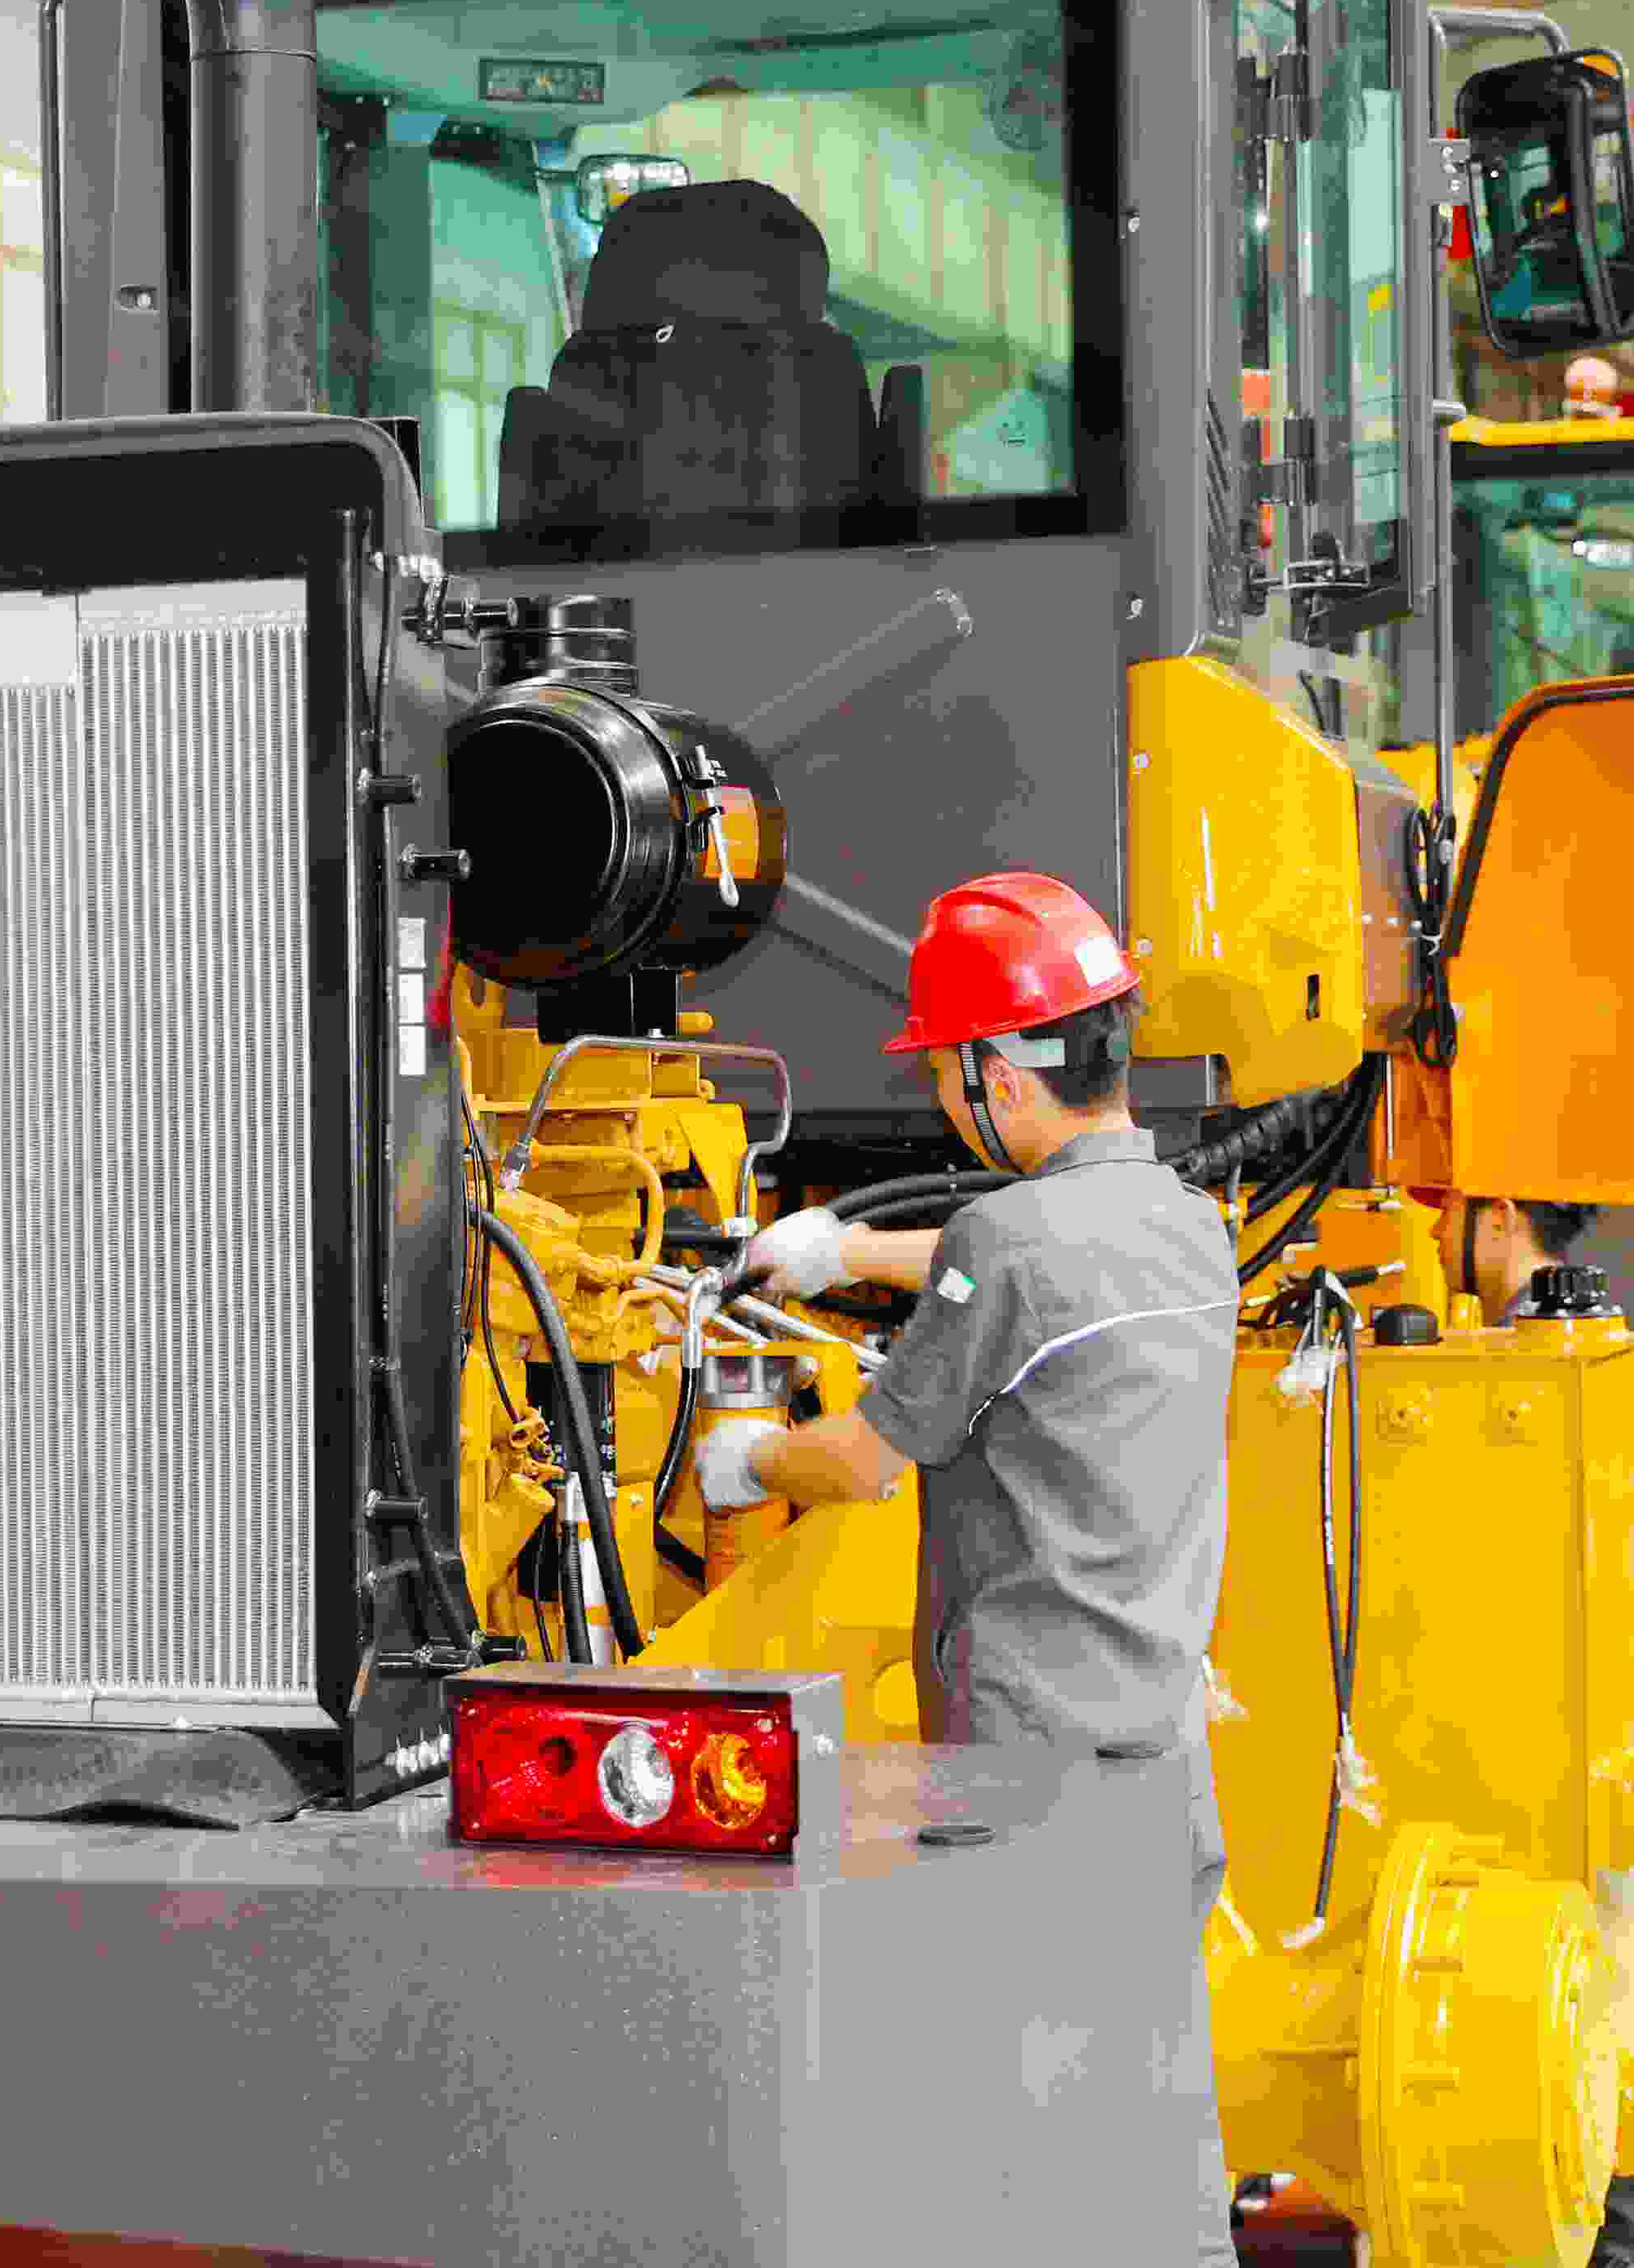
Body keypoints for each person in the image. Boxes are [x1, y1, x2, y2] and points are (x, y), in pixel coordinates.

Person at [699, 869, 1241, 2266]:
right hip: (1161, 1752)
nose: (946, 1100)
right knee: (1151, 2119)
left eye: (947, 1072)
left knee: (1015, 2150)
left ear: (1000, 1071)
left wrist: (749, 1457)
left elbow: (867, 1460)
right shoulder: (1189, 1220)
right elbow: (1028, 1262)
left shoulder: (1010, 1245)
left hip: (1024, 1773)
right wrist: (843, 1252)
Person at [1436, 1190, 1634, 2268]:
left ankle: (1628, 2239)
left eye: (1445, 1210)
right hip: (1590, 1725)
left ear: (1498, 1217)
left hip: (1570, 1731)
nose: (1429, 1231)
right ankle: (1625, 2235)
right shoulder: (1568, 1341)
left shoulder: (1541, 1358)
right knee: (1594, 1990)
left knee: (1589, 1995)